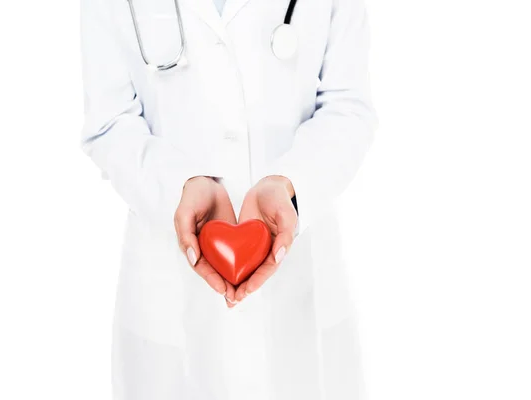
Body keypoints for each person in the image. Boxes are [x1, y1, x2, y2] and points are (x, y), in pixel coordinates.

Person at [80, 0, 377, 398]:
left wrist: (291, 183)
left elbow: (348, 108)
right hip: (167, 295)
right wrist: (178, 185)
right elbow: (109, 124)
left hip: (301, 287)